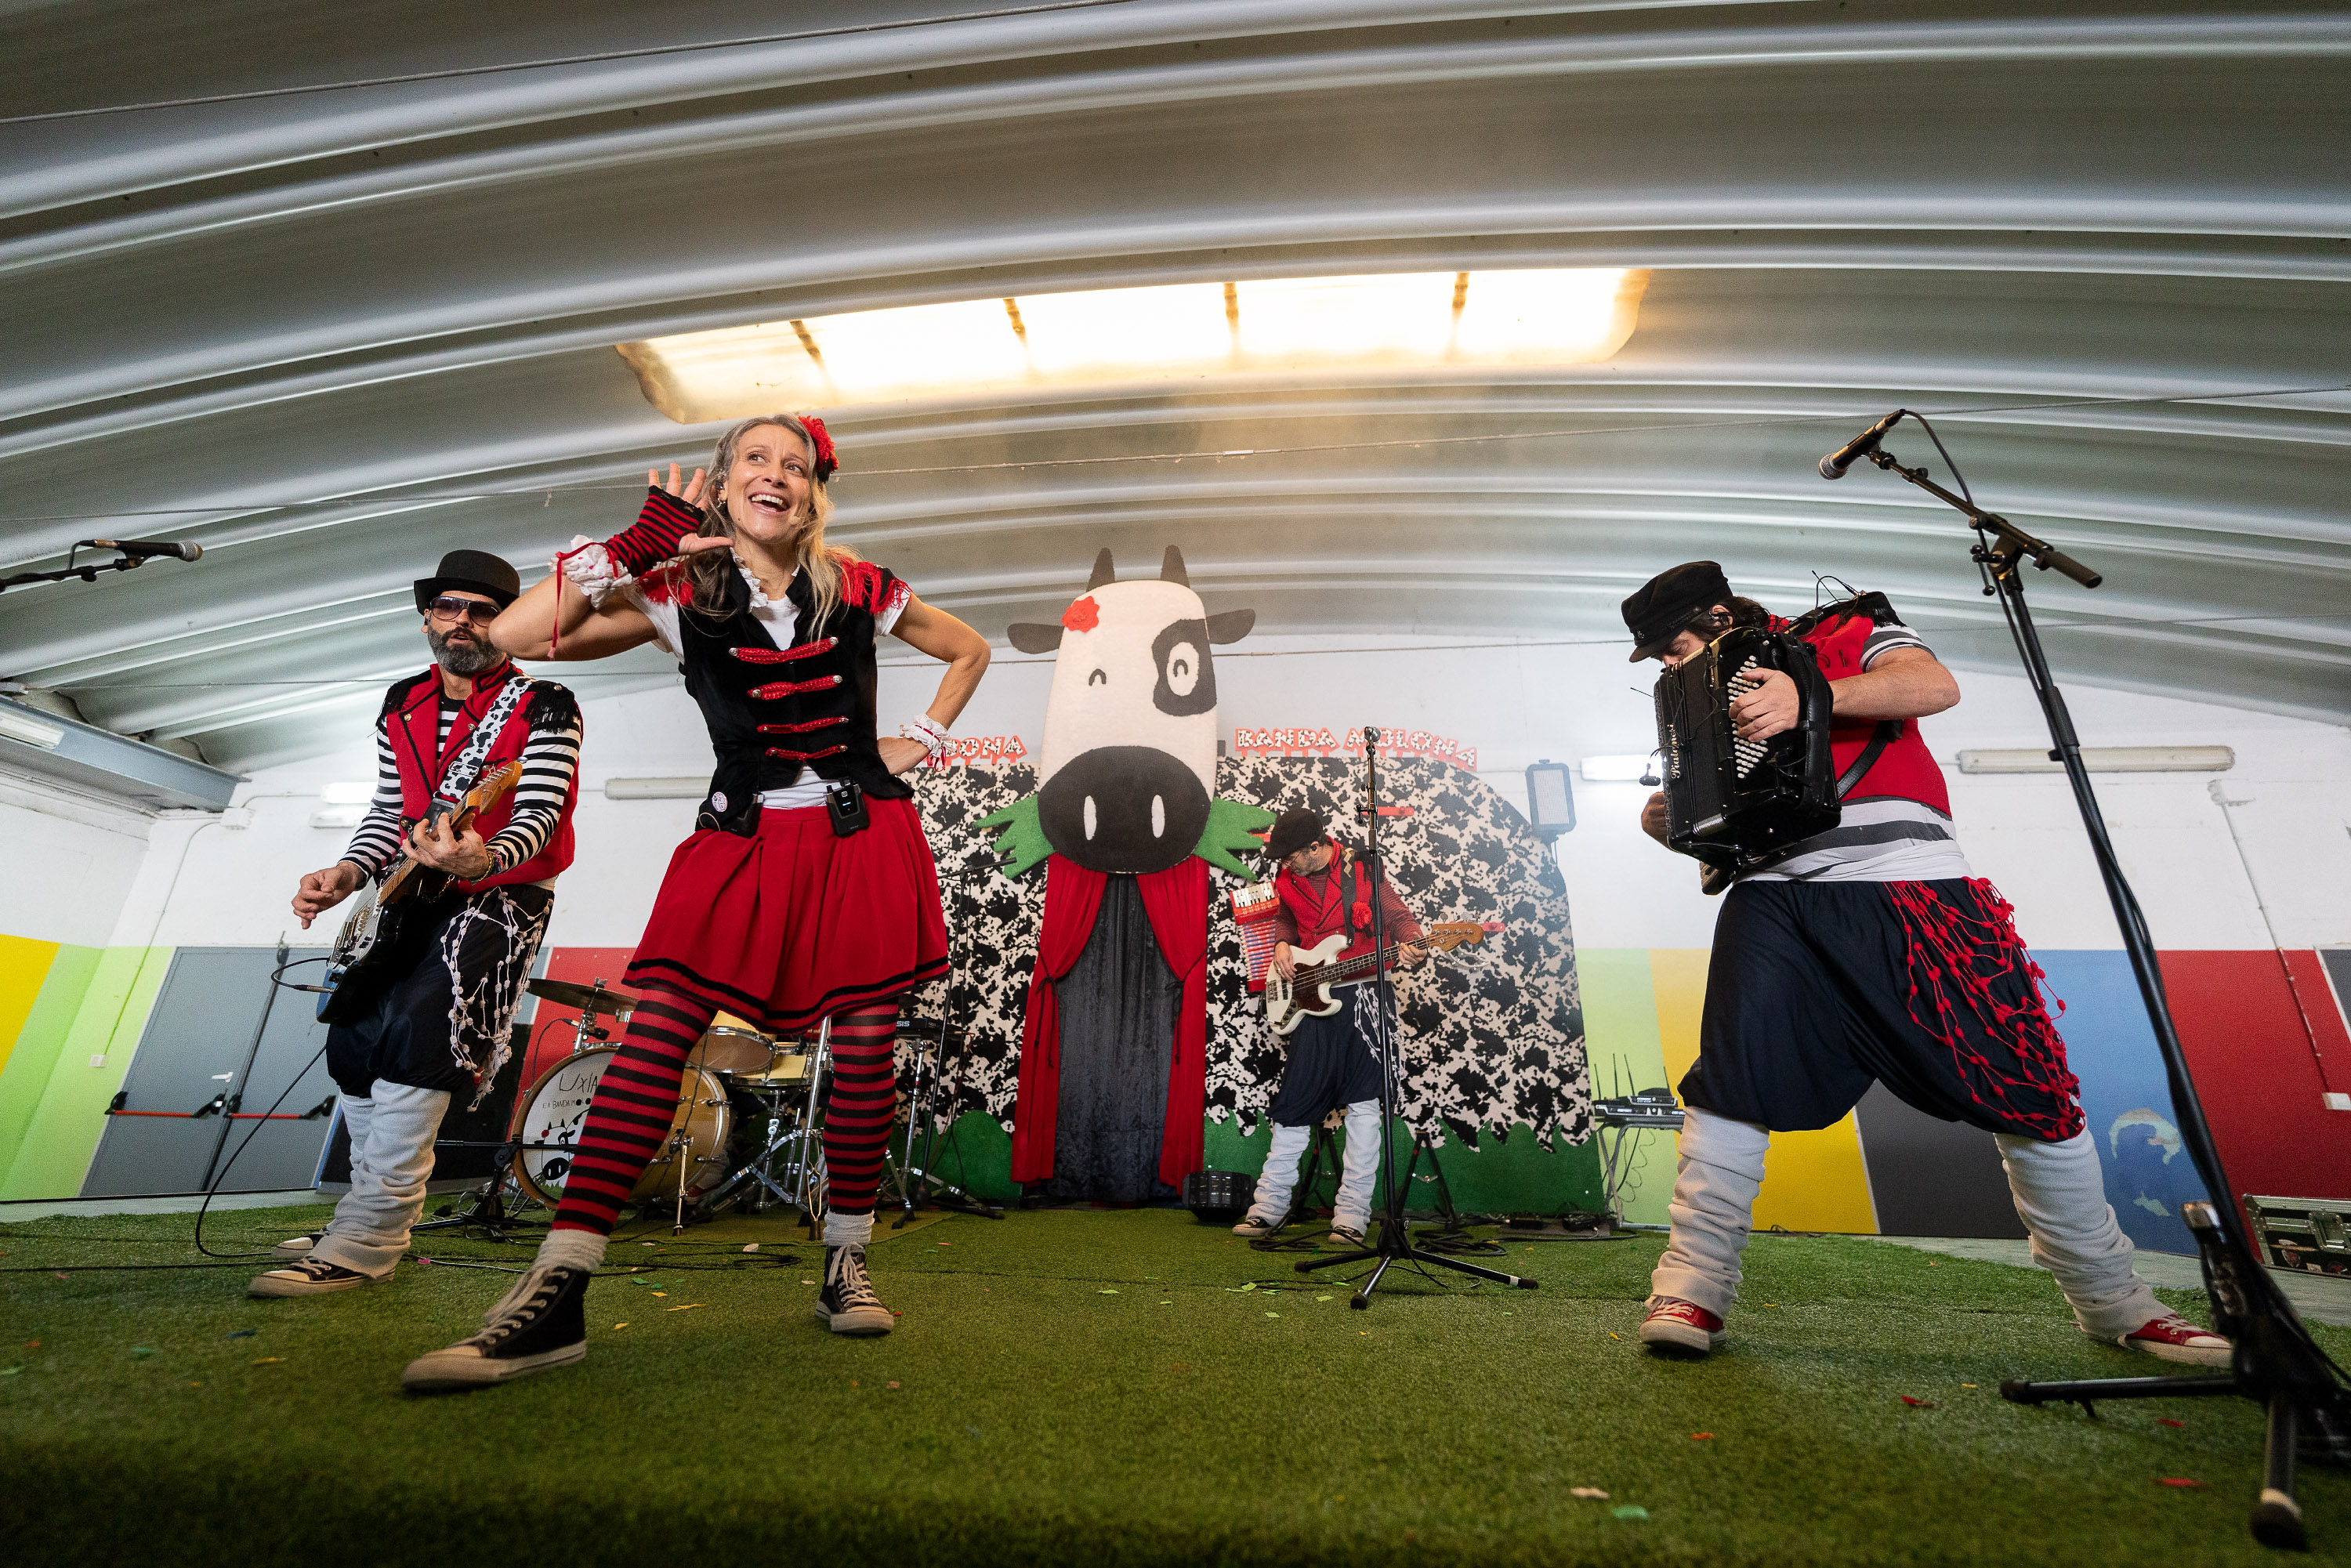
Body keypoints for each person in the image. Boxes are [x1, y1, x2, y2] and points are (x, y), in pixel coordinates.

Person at [401, 413, 989, 1390]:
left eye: (796, 466)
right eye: (756, 458)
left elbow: (968, 650)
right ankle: (560, 1287)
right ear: (720, 484)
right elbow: (508, 639)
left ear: (812, 494)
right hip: (739, 840)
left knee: (865, 1048)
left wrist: (919, 741)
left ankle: (846, 1260)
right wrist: (638, 544)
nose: (777, 475)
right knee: (657, 1036)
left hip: (861, 838)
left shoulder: (857, 584)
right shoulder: (677, 588)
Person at [1624, 560, 2227, 1365]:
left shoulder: (1845, 628)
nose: (1669, 666)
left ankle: (2116, 1301)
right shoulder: (1696, 707)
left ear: (1721, 617)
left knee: (2029, 1088)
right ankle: (1691, 1287)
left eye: (1674, 646)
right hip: (1772, 898)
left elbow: (1932, 685)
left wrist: (1808, 696)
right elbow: (1729, 826)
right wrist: (1675, 822)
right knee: (1729, 1087)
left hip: (1912, 885)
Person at [256, 550, 581, 1298]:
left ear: (512, 624)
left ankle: (370, 1237)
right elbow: (389, 808)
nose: (463, 620)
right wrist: (349, 872)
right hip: (404, 891)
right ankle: (362, 1212)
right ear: (427, 617)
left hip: (499, 894)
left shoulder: (547, 703)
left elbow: (541, 808)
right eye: (448, 606)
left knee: (419, 1036)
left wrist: (485, 856)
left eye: (483, 610)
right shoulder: (401, 700)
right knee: (353, 1037)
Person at [1230, 807, 1427, 1247]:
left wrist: (1413, 942)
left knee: (1363, 1105)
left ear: (1315, 847)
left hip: (1365, 996)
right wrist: (1282, 943)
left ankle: (1352, 1215)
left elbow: (1396, 915)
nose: (1285, 865)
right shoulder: (1288, 878)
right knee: (1295, 1100)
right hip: (1309, 998)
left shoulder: (1363, 867)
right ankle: (1268, 1206)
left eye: (1291, 857)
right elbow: (1286, 918)